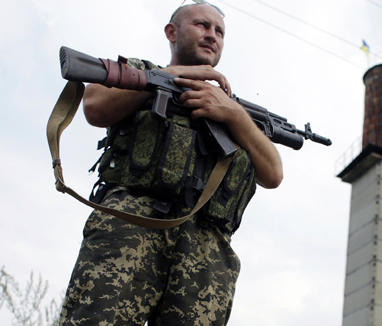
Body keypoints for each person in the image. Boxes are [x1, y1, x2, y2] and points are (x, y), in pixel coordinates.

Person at [59, 2, 283, 325]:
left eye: (219, 31)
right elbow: (94, 105)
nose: (212, 35)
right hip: (131, 228)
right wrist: (172, 76)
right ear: (172, 32)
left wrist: (233, 115)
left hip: (206, 255)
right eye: (202, 25)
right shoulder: (143, 72)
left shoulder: (235, 112)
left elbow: (273, 172)